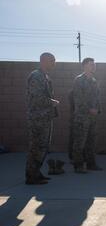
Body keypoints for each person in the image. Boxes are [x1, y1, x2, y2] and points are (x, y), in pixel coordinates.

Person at [25, 52, 59, 185]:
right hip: (37, 118)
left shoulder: (45, 76)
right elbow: (37, 97)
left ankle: (36, 173)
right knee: (36, 147)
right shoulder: (36, 76)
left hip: (45, 117)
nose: (54, 63)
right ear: (44, 61)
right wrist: (52, 102)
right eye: (52, 60)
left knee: (43, 147)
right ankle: (31, 176)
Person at [71, 57, 102, 173]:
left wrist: (98, 110)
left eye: (94, 65)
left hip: (93, 117)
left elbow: (98, 98)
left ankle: (91, 164)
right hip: (82, 117)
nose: (94, 66)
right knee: (79, 142)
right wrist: (90, 109)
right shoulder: (79, 80)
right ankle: (78, 166)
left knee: (91, 142)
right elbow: (78, 99)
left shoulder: (94, 81)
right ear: (84, 66)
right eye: (91, 65)